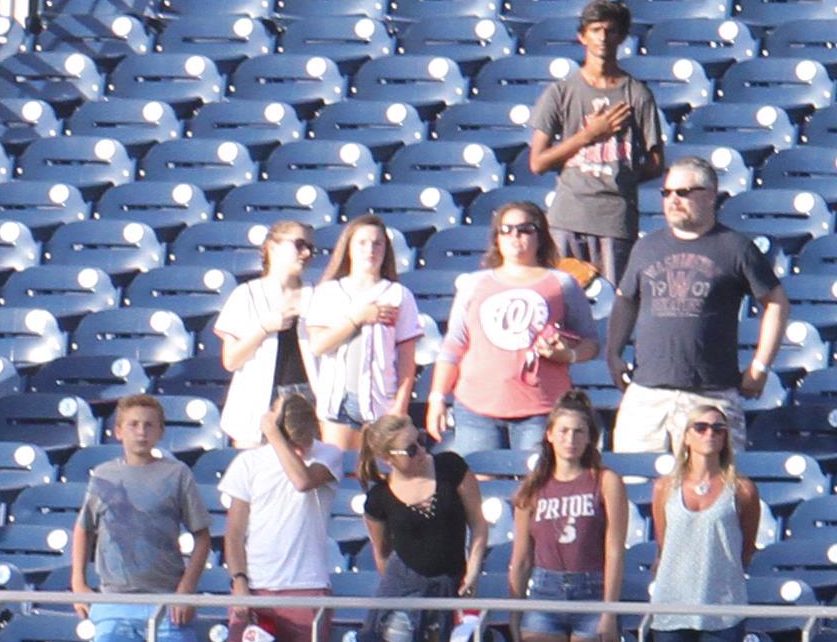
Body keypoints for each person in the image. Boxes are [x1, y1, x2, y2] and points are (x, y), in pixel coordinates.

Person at [611, 164, 786, 463]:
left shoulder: (736, 248)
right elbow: (625, 300)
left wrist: (760, 366)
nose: (672, 200)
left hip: (710, 395)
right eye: (666, 192)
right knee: (634, 489)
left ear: (710, 197)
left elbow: (777, 303)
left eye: (683, 192)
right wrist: (613, 353)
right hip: (646, 395)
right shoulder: (646, 246)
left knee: (712, 492)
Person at [431, 201, 595, 464]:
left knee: (534, 489)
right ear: (496, 238)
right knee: (479, 489)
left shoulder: (562, 283)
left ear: (540, 236)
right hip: (476, 409)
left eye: (524, 229)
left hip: (541, 408)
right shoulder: (475, 284)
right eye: (506, 230)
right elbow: (454, 345)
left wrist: (569, 355)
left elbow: (591, 342)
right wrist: (437, 397)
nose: (514, 236)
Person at [72, 388, 210, 642]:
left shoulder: (177, 474)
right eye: (133, 424)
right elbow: (84, 528)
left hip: (167, 600)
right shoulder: (104, 476)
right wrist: (79, 585)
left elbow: (202, 537)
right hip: (114, 600)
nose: (141, 432)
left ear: (161, 431)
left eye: (149, 425)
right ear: (118, 431)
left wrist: (186, 589)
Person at [529, 0, 667, 291]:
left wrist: (622, 177)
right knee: (560, 301)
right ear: (582, 36)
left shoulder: (637, 94)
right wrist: (588, 136)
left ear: (621, 37)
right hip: (568, 216)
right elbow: (537, 162)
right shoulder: (561, 92)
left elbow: (656, 163)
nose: (603, 38)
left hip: (615, 220)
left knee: (612, 303)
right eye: (595, 30)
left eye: (610, 30)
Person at [219, 387, 341, 642]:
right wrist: (239, 583)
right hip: (254, 589)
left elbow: (301, 481)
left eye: (304, 441)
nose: (301, 449)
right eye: (294, 442)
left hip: (307, 589)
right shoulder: (248, 463)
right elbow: (234, 533)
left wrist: (273, 435)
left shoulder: (329, 454)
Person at [509, 395, 627, 642]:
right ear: (549, 435)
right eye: (563, 431)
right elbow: (521, 558)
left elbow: (614, 550)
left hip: (592, 591)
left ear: (590, 439)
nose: (570, 439)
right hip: (544, 593)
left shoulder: (605, 480)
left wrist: (609, 612)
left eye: (578, 432)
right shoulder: (532, 488)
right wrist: (514, 612)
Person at [358, 404, 475, 642]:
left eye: (421, 441)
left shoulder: (450, 467)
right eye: (411, 450)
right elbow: (381, 551)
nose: (422, 451)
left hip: (449, 585)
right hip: (402, 588)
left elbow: (480, 526)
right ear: (388, 459)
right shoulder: (379, 498)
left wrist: (472, 570)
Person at [645, 399, 763, 642]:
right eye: (700, 427)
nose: (709, 434)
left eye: (718, 428)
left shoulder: (742, 489)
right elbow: (665, 543)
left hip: (722, 605)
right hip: (673, 603)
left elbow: (745, 549)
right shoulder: (665, 487)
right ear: (686, 436)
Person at [301, 216, 433, 438]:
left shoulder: (398, 294)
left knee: (376, 471)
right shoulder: (328, 292)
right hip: (338, 401)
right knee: (336, 469)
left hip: (380, 402)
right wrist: (358, 318)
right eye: (361, 243)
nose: (370, 249)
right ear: (349, 248)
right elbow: (318, 345)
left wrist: (399, 406)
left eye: (377, 243)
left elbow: (406, 358)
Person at [216, 217, 324, 454]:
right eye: (298, 244)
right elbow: (231, 360)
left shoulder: (318, 295)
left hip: (307, 398)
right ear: (272, 247)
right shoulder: (246, 295)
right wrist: (264, 328)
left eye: (310, 248)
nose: (305, 253)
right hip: (258, 399)